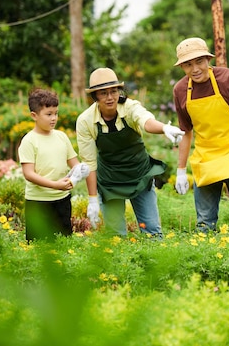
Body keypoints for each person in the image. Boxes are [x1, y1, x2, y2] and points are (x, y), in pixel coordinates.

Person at [76, 67, 185, 237]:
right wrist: (92, 199)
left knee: (152, 232)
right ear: (95, 96)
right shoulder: (85, 121)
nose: (110, 97)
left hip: (139, 174)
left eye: (113, 91)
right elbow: (89, 163)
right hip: (110, 180)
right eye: (103, 93)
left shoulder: (130, 107)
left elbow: (146, 122)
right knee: (115, 236)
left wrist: (164, 128)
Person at [172, 37, 229, 232]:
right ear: (182, 68)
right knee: (205, 224)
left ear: (208, 59)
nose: (195, 69)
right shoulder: (180, 90)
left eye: (199, 62)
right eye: (188, 65)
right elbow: (185, 131)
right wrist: (180, 170)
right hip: (206, 158)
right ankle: (207, 261)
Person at [18, 88, 89, 241]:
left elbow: (75, 164)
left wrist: (80, 170)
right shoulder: (29, 141)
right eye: (48, 114)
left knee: (63, 243)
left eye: (56, 113)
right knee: (38, 246)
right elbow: (29, 174)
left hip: (62, 200)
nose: (54, 118)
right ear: (34, 116)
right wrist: (55, 185)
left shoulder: (61, 137)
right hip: (38, 202)